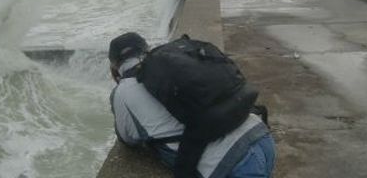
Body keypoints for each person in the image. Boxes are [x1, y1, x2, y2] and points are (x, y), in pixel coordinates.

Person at [108, 32, 276, 178]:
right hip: (260, 135)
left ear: (115, 67)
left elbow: (128, 138)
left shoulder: (122, 93)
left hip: (231, 164)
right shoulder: (175, 60)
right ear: (146, 49)